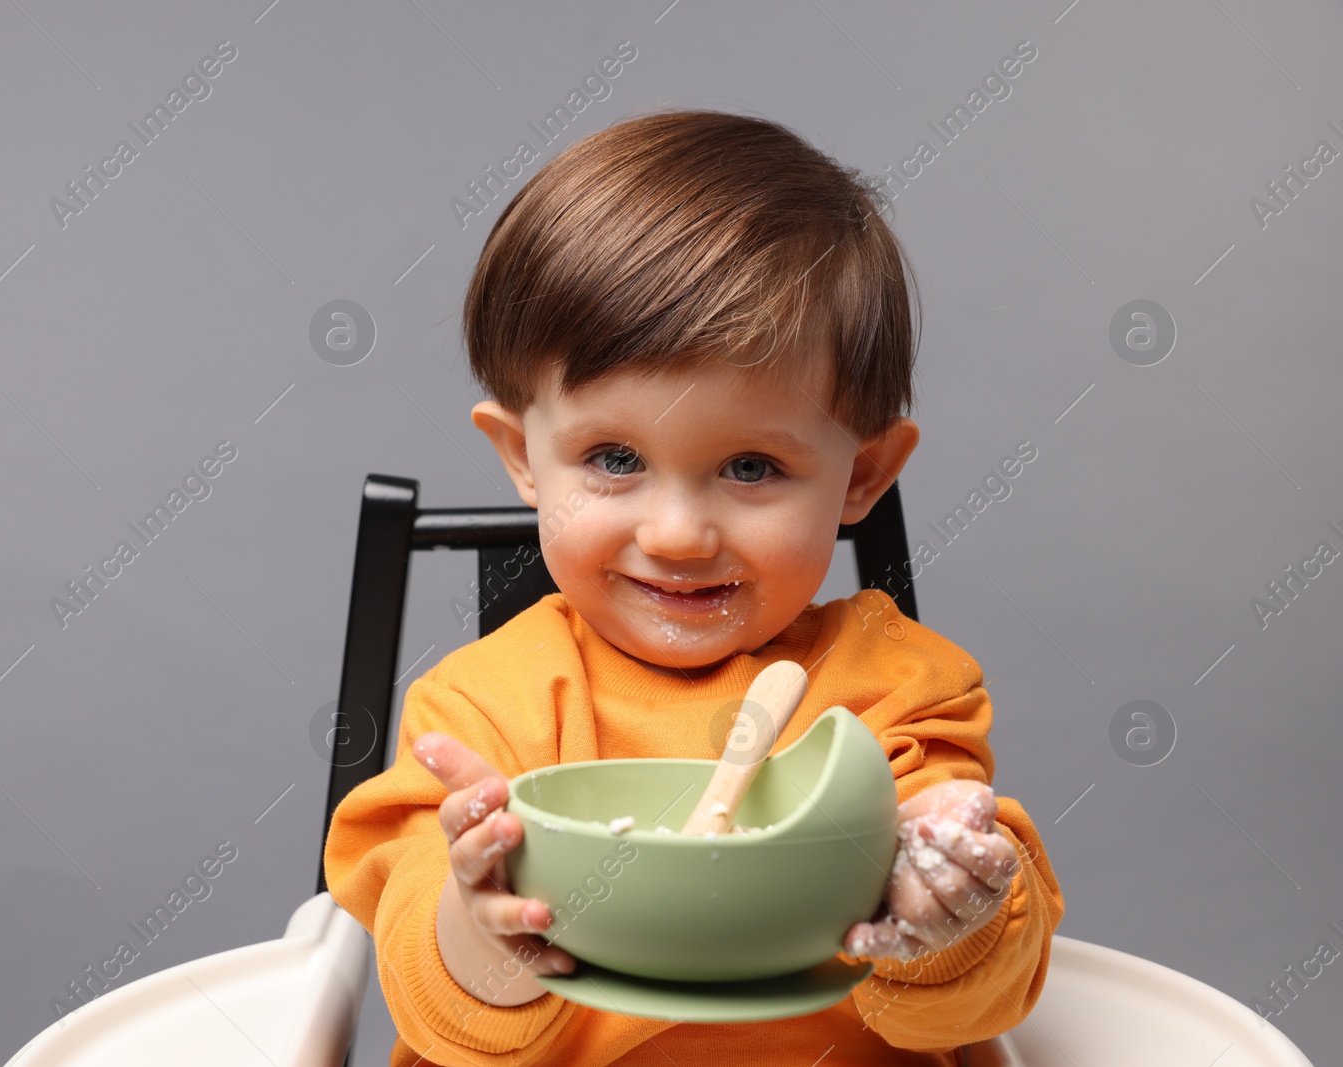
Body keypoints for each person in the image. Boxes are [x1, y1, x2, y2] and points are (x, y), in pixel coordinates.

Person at [324, 108, 1064, 1066]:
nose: (677, 535)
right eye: (614, 457)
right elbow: (442, 1017)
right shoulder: (479, 715)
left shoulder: (899, 694)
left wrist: (944, 918)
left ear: (863, 476)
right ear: (522, 457)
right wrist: (485, 935)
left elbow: (971, 1009)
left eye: (751, 466)